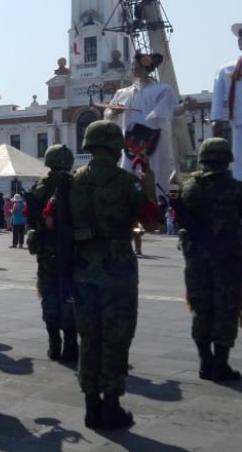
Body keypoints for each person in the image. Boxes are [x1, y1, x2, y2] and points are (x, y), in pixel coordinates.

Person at [55, 120, 160, 430]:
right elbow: (152, 222)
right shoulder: (126, 182)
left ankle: (91, 406)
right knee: (116, 338)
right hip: (118, 270)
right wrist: (149, 184)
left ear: (88, 145)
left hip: (82, 270)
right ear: (116, 148)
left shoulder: (72, 183)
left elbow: (51, 219)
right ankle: (111, 406)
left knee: (89, 337)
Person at [172, 138, 242, 382]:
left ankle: (205, 361)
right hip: (229, 260)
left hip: (196, 261)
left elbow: (182, 224)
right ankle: (220, 364)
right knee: (226, 311)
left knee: (201, 311)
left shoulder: (189, 188)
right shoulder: (236, 188)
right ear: (226, 159)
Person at [104, 52, 192, 198]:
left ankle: (160, 208)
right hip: (131, 139)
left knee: (156, 175)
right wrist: (114, 111)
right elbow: (108, 113)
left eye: (137, 66)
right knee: (128, 173)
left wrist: (186, 105)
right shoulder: (123, 93)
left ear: (147, 67)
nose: (133, 68)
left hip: (155, 138)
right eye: (132, 65)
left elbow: (175, 110)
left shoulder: (162, 89)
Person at [25, 145, 78, 362]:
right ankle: (71, 344)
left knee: (49, 295)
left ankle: (54, 343)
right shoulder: (77, 185)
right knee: (70, 296)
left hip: (47, 251)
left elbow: (31, 219)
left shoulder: (40, 186)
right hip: (72, 250)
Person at [211, 23, 242, 179]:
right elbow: (217, 97)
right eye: (240, 36)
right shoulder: (226, 70)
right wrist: (217, 120)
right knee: (239, 167)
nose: (241, 40)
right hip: (239, 125)